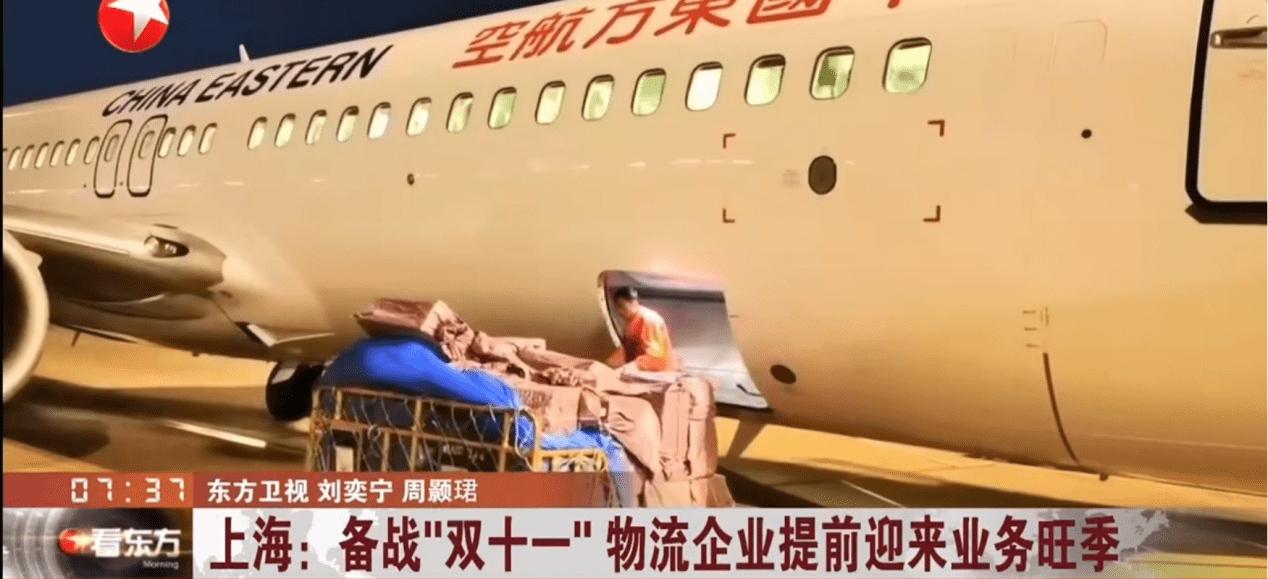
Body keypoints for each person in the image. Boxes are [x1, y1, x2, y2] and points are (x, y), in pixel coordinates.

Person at [605, 287, 680, 372]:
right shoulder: (630, 318)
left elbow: (657, 359)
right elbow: (628, 349)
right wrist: (607, 364)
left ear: (634, 302)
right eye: (618, 307)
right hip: (641, 364)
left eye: (622, 306)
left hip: (656, 368)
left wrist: (627, 368)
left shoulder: (650, 320)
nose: (619, 311)